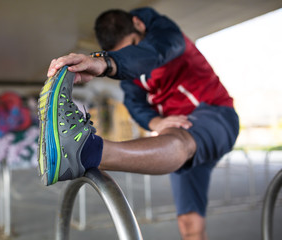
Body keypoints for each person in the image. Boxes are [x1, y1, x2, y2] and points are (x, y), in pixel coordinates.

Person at [38, 7, 239, 240]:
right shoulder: (132, 73)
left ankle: (88, 152)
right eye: (122, 54)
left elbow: (151, 53)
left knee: (178, 136)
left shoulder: (165, 35)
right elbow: (135, 103)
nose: (129, 56)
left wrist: (106, 63)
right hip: (179, 138)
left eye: (132, 46)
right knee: (189, 224)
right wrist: (156, 122)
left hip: (215, 115)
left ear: (139, 25)